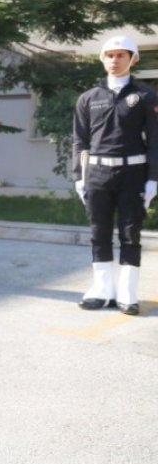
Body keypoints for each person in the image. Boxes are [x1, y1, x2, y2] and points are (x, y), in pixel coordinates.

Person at [73, 36, 158, 316]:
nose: (114, 60)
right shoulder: (88, 98)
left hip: (132, 172)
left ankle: (127, 292)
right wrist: (79, 176)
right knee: (99, 233)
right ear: (103, 59)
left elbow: (156, 141)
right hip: (97, 173)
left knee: (130, 234)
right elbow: (80, 141)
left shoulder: (146, 97)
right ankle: (102, 289)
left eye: (121, 55)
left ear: (133, 59)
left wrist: (153, 179)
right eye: (109, 55)